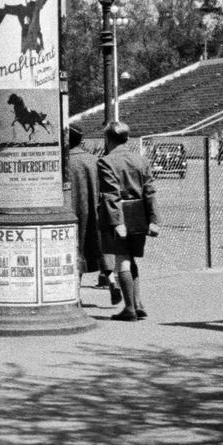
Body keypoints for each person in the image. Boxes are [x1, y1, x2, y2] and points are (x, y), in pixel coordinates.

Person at [97, 120, 161, 321]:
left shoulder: (106, 161)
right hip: (139, 213)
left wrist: (117, 222)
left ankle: (130, 309)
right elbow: (150, 191)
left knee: (122, 260)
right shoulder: (141, 160)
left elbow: (111, 195)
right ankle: (138, 302)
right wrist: (154, 219)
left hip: (120, 215)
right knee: (132, 258)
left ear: (108, 139)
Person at [64, 124, 109, 302]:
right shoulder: (93, 160)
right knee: (83, 250)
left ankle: (74, 294)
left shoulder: (64, 161)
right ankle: (108, 280)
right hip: (89, 210)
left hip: (68, 210)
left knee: (70, 251)